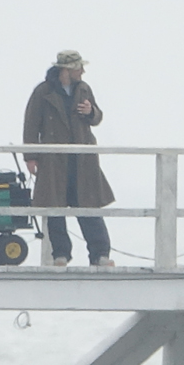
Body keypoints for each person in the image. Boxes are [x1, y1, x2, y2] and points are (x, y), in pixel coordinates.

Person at [23, 50, 114, 267]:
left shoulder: (84, 89)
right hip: (54, 160)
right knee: (55, 208)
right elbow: (31, 124)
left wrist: (91, 111)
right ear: (67, 70)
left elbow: (97, 117)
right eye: (78, 67)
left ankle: (100, 254)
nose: (82, 71)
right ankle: (61, 254)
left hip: (82, 159)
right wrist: (31, 157)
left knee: (89, 206)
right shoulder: (43, 91)